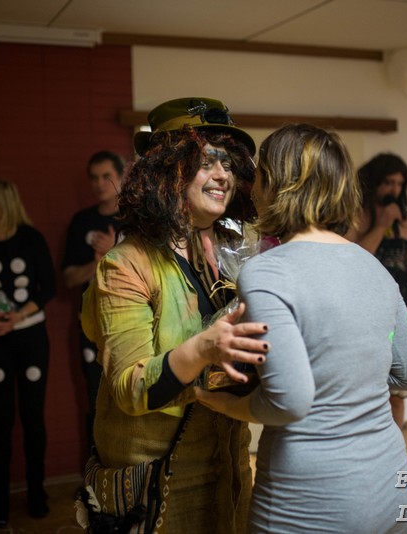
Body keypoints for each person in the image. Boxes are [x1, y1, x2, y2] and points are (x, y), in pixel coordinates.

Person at [196, 124, 407, 533]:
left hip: (312, 499)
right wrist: (346, 380)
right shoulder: (373, 267)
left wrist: (224, 404)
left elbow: (290, 401)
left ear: (278, 185)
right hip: (391, 486)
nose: (253, 189)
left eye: (259, 176)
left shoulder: (267, 271)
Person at [80, 97, 269, 533]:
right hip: (155, 479)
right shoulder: (125, 265)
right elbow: (129, 388)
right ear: (167, 171)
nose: (222, 175)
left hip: (229, 463)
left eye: (228, 163)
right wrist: (204, 349)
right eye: (206, 162)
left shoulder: (235, 252)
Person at [0, 179, 56, 527]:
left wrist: (18, 316)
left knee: (33, 418)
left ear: (1, 205)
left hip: (30, 339)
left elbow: (47, 287)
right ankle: (0, 500)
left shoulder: (30, 238)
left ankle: (36, 492)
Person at [346, 153, 407, 428]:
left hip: (401, 309)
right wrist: (381, 226)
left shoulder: (405, 222)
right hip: (366, 310)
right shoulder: (356, 216)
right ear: (374, 182)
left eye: (400, 184)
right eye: (388, 182)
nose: (394, 190)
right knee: (368, 389)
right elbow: (352, 259)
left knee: (398, 393)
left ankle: (396, 447)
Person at [62, 150, 124, 449]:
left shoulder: (136, 217)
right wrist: (99, 260)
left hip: (131, 322)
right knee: (95, 401)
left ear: (121, 177)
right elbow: (69, 278)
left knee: (131, 395)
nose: (99, 184)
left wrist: (115, 251)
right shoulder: (81, 222)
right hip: (92, 325)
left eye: (106, 176)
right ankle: (95, 472)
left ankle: (133, 472)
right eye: (94, 178)